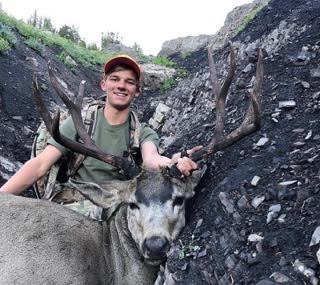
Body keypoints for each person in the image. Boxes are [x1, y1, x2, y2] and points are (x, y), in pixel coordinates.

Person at [0, 55, 199, 213]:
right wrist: (2, 198)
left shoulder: (142, 132)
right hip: (77, 202)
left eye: (129, 82)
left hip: (117, 206)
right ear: (104, 84)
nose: (121, 85)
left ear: (137, 90)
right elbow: (40, 164)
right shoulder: (81, 123)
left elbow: (151, 159)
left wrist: (172, 163)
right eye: (115, 79)